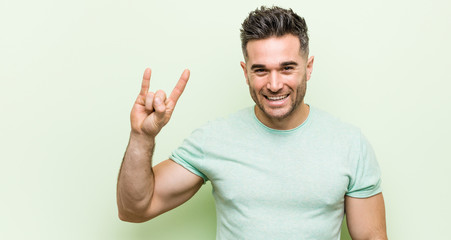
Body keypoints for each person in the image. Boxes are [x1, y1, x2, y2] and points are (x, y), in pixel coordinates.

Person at [117, 6, 387, 240]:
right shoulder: (214, 139)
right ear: (246, 73)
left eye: (287, 68)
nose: (274, 84)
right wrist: (141, 137)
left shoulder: (350, 144)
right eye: (261, 70)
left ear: (309, 67)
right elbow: (134, 209)